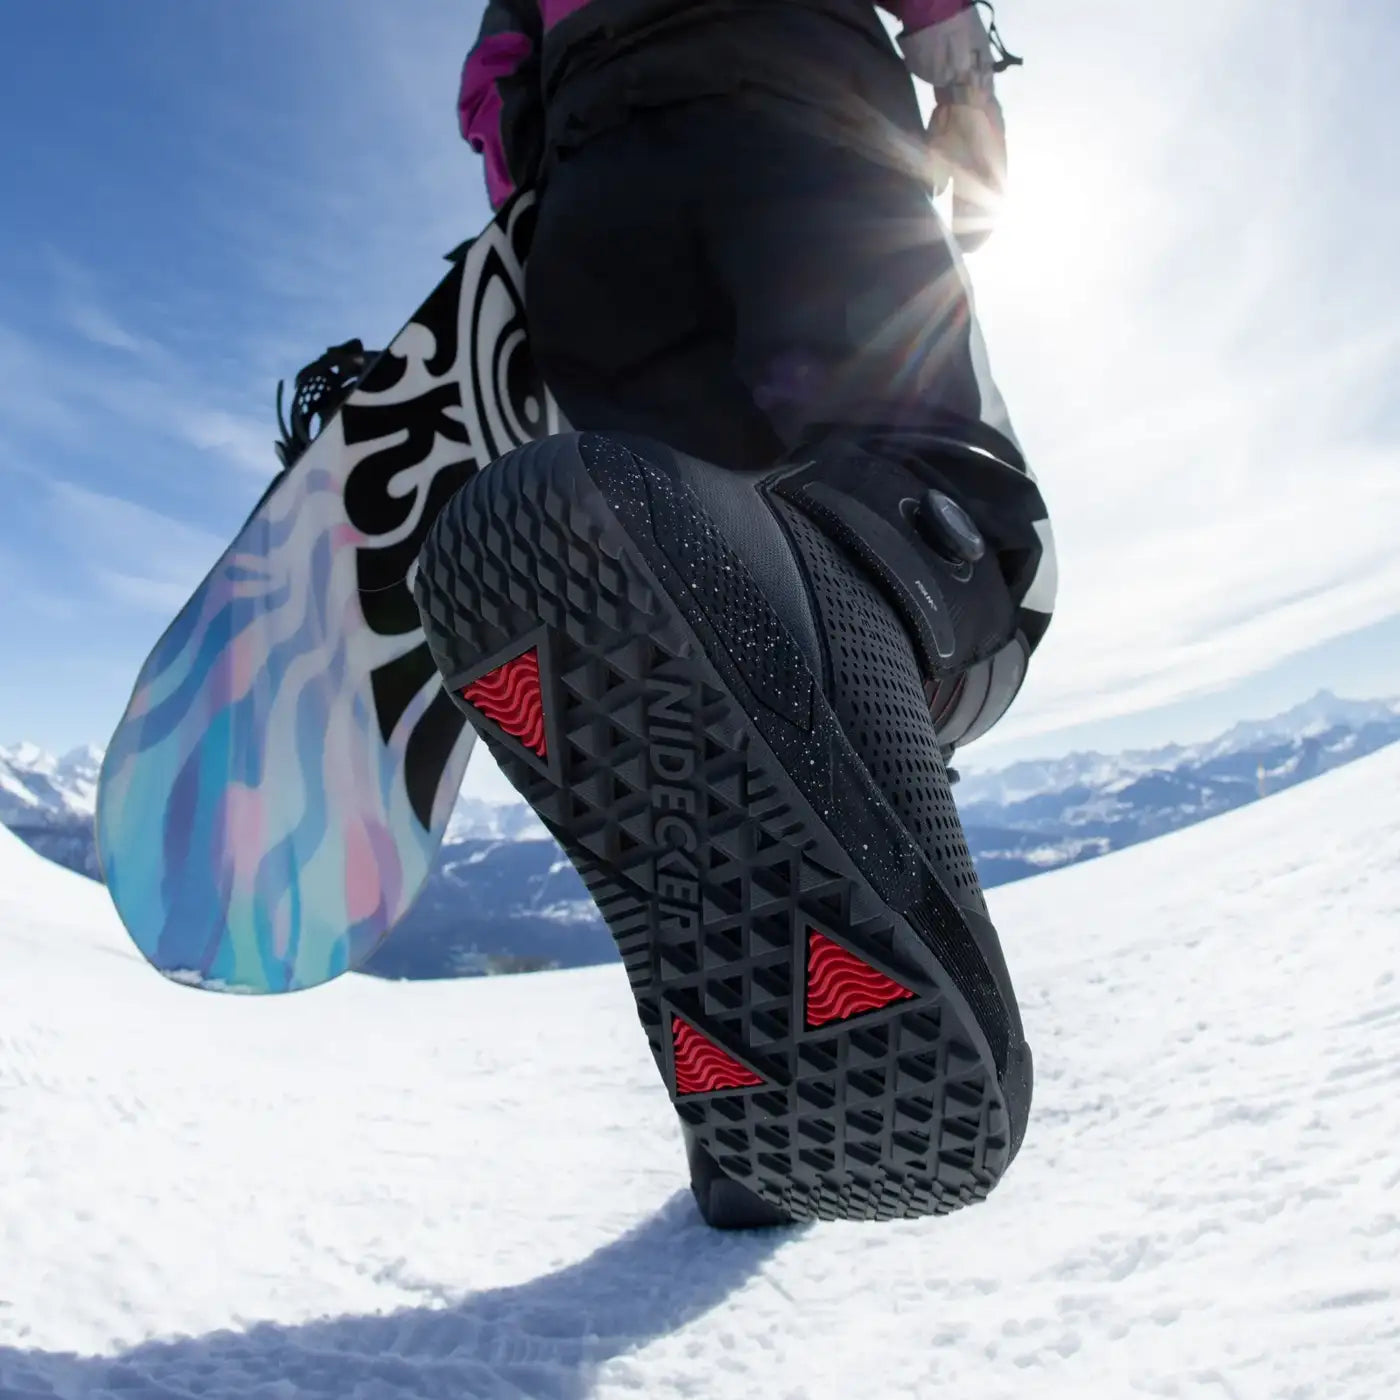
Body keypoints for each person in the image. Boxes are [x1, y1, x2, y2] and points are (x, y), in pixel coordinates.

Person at [423, 0, 1059, 1227]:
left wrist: (539, 202)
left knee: (682, 575)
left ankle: (741, 1136)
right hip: (805, 106)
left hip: (594, 202)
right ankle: (868, 659)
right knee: (930, 505)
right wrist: (963, 86)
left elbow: (494, 80)